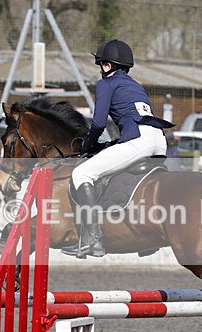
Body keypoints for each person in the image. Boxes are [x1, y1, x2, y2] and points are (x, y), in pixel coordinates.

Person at [61, 39, 173, 258]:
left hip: (139, 141)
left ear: (108, 65)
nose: (101, 68)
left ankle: (93, 239)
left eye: (101, 64)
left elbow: (99, 123)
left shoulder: (106, 84)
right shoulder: (135, 85)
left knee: (82, 173)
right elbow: (133, 122)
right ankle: (146, 239)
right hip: (158, 140)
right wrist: (108, 146)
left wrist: (89, 144)